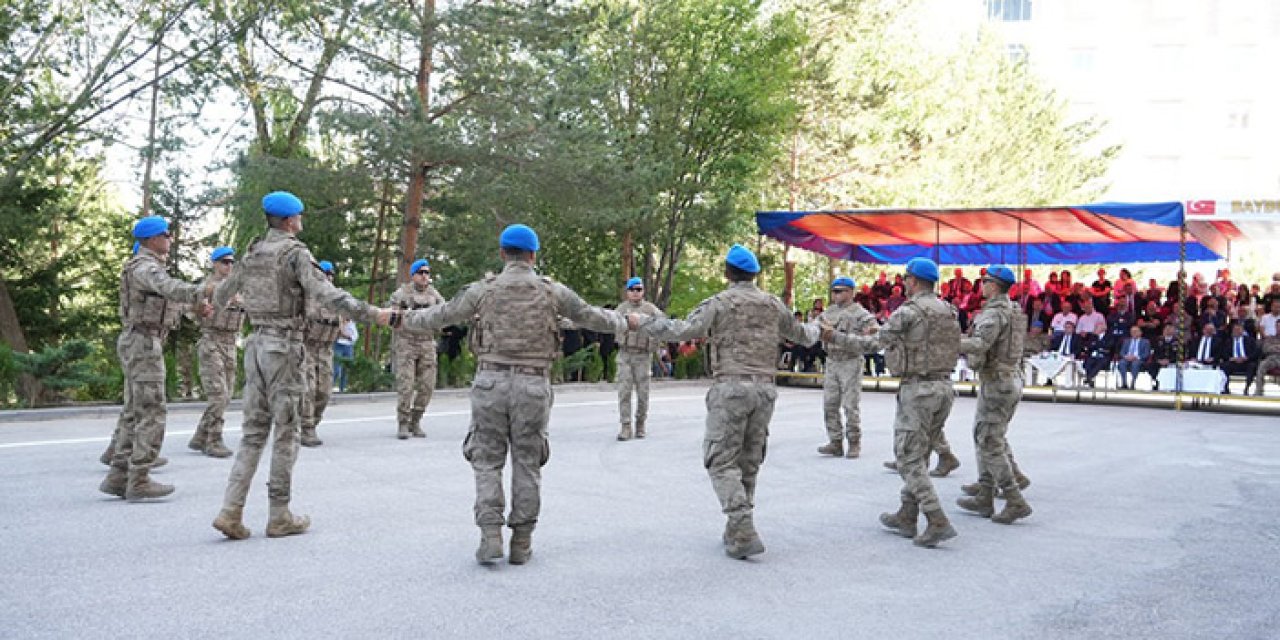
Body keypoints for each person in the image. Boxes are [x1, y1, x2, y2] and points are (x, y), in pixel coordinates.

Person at [399, 223, 626, 566]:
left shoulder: (482, 290)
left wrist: (396, 319)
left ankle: (490, 535)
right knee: (527, 463)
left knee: (487, 460)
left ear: (502, 253)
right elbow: (593, 317)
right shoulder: (553, 292)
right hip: (534, 386)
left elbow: (439, 316)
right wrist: (632, 322)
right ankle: (521, 542)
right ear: (533, 256)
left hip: (491, 381)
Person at [210, 191, 391, 541]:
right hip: (285, 349)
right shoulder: (295, 253)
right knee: (287, 431)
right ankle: (279, 514)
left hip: (255, 346)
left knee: (252, 433)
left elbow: (221, 296)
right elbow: (328, 294)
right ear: (291, 220)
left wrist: (252, 306)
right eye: (300, 216)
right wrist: (374, 315)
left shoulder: (251, 253)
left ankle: (230, 510)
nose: (301, 221)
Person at [627, 244, 819, 559]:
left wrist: (643, 321)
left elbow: (683, 330)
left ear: (727, 272)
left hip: (732, 387)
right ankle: (737, 531)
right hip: (766, 390)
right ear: (755, 274)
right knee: (749, 459)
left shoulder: (720, 303)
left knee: (721, 460)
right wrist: (818, 328)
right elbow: (802, 335)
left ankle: (742, 524)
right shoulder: (773, 305)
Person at [99, 216, 213, 501]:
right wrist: (202, 291)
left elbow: (168, 300)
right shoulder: (146, 267)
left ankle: (118, 475)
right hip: (143, 343)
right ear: (150, 239)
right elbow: (169, 288)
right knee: (151, 410)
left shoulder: (147, 267)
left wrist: (195, 309)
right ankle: (139, 479)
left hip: (142, 341)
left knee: (133, 411)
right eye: (165, 234)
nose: (169, 239)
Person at [854, 257, 961, 548]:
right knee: (922, 452)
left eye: (906, 279)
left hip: (918, 390)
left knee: (908, 457)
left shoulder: (909, 311)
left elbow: (875, 344)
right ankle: (907, 513)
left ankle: (937, 519)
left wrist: (834, 338)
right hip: (944, 388)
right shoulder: (948, 310)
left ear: (913, 281)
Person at [953, 265, 1033, 525]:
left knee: (989, 440)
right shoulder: (1014, 309)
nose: (981, 285)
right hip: (1009, 378)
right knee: (986, 434)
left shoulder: (993, 314)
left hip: (997, 382)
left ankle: (1014, 500)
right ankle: (985, 495)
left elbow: (979, 345)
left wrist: (949, 341)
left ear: (994, 285)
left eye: (984, 281)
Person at [188, 246, 245, 458]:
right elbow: (191, 312)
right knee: (218, 395)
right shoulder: (206, 288)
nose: (228, 266)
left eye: (231, 262)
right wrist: (203, 307)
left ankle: (200, 435)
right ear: (214, 264)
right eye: (224, 262)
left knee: (226, 395)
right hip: (211, 342)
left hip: (231, 344)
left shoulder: (239, 290)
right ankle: (213, 440)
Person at [815, 276, 877, 458]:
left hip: (850, 360)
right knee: (830, 403)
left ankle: (854, 442)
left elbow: (874, 333)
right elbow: (814, 328)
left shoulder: (860, 313)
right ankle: (835, 441)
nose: (835, 295)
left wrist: (866, 333)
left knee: (850, 405)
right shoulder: (829, 312)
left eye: (840, 291)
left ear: (851, 292)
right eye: (834, 291)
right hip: (832, 360)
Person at [388, 258, 445, 439]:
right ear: (413, 275)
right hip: (406, 343)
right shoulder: (401, 294)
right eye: (421, 272)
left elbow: (444, 313)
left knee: (427, 385)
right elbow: (392, 319)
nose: (424, 276)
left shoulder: (434, 295)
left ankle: (416, 420)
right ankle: (403, 423)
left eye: (427, 273)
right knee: (406, 385)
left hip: (427, 343)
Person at [298, 261, 344, 447]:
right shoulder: (306, 297)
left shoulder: (337, 300)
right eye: (325, 274)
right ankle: (306, 428)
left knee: (324, 392)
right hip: (307, 347)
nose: (329, 278)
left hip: (326, 350)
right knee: (307, 389)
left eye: (331, 274)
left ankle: (312, 423)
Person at [614, 276, 664, 440]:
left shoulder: (650, 309)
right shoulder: (621, 309)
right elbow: (611, 323)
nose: (635, 293)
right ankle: (626, 426)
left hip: (643, 356)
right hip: (625, 355)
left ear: (643, 291)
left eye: (639, 289)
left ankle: (640, 423)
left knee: (643, 393)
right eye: (632, 289)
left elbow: (663, 323)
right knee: (624, 392)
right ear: (627, 292)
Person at [1218, 322, 1259, 394]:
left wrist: (1247, 358)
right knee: (1224, 366)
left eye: (1238, 330)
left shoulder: (1250, 340)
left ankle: (1247, 388)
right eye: (1234, 330)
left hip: (1246, 362)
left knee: (1252, 366)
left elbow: (1256, 352)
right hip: (1233, 362)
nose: (1236, 331)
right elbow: (1223, 353)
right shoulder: (1228, 341)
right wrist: (1231, 358)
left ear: (1242, 331)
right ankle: (1225, 388)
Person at [1116, 325, 1151, 390]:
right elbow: (1122, 352)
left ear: (1140, 332)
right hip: (1127, 358)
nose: (1133, 333)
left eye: (1135, 331)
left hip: (1138, 359)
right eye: (1132, 331)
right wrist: (1126, 356)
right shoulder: (1126, 341)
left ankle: (1133, 383)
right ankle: (1124, 383)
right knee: (1121, 363)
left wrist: (1136, 357)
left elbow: (1146, 354)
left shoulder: (1145, 341)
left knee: (1135, 363)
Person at [1257, 298, 1280, 396]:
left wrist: (1275, 348)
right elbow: (1266, 349)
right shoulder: (1270, 338)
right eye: (1278, 326)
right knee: (1262, 366)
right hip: (1272, 359)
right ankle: (1259, 391)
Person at [333, 318, 357, 392]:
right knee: (336, 369)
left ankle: (342, 389)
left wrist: (348, 336)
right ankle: (329, 387)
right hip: (338, 345)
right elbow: (339, 333)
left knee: (346, 368)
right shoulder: (339, 321)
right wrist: (347, 335)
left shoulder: (352, 322)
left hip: (349, 346)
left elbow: (354, 336)